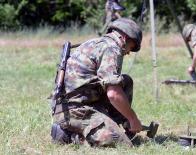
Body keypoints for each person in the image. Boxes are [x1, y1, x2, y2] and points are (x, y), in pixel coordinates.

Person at [51, 18, 143, 147]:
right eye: (130, 47)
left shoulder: (95, 43)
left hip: (84, 102)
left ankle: (117, 122)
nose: (128, 53)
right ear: (124, 37)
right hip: (76, 111)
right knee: (122, 143)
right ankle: (68, 135)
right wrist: (133, 119)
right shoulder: (111, 49)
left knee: (125, 81)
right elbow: (113, 94)